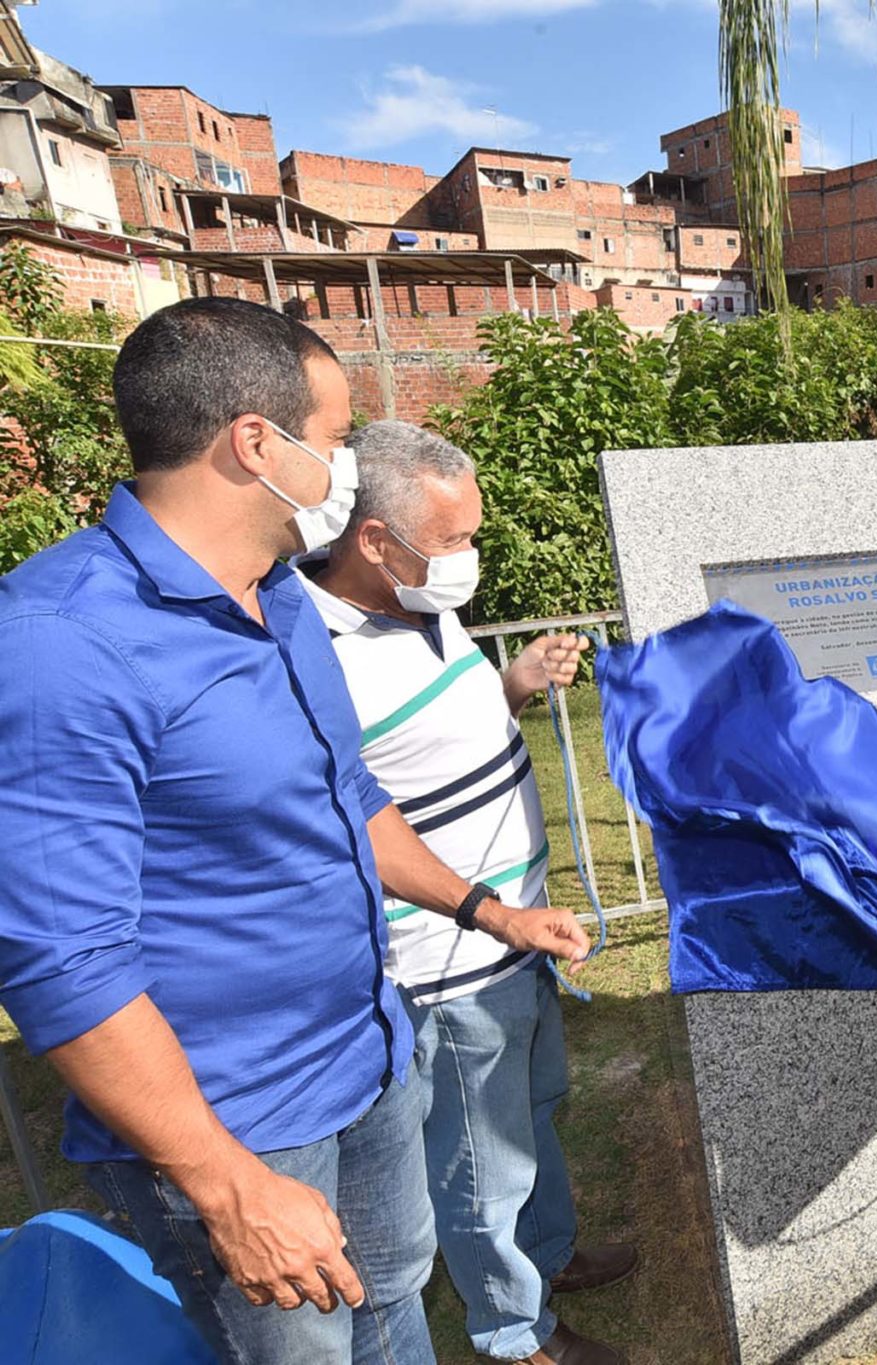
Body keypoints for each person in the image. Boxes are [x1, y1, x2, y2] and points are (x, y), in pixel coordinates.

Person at [0, 297, 589, 1365]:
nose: (348, 472)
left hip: (366, 1062)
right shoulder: (58, 643)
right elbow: (61, 961)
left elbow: (348, 800)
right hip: (240, 1127)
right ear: (255, 443)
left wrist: (487, 909)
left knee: (395, 1311)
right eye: (332, 443)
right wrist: (227, 1188)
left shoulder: (274, 597)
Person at [297, 422, 637, 1365]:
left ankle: (551, 1255)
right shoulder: (314, 650)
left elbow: (428, 744)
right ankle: (514, 1331)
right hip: (448, 960)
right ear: (374, 539)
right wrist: (490, 914)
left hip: (516, 935)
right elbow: (364, 820)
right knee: (482, 1164)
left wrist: (513, 684)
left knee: (534, 1109)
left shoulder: (417, 606)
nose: (468, 560)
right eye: (450, 542)